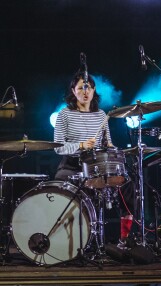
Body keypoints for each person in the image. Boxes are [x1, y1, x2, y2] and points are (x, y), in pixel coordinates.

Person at [53, 71, 136, 246]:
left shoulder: (101, 115)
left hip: (97, 166)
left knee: (127, 183)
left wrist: (115, 150)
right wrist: (81, 146)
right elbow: (58, 148)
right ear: (73, 91)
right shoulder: (64, 114)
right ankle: (77, 240)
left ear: (93, 89)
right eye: (80, 88)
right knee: (64, 181)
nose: (85, 92)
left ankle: (124, 238)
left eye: (88, 87)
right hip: (72, 165)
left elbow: (108, 143)